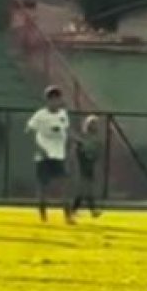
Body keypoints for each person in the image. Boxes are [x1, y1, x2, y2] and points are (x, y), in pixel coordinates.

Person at [26, 86, 74, 224]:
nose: (56, 102)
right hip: (44, 157)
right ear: (47, 100)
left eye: (58, 99)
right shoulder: (40, 115)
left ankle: (68, 216)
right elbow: (29, 131)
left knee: (64, 185)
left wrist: (74, 143)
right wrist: (39, 149)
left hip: (59, 155)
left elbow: (66, 131)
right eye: (52, 99)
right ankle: (43, 216)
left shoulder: (63, 114)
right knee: (43, 187)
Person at [72, 115, 102, 218]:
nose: (96, 126)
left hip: (90, 165)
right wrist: (85, 156)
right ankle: (91, 210)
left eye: (96, 124)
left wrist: (94, 157)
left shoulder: (96, 138)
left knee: (86, 189)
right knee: (86, 188)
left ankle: (75, 210)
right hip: (83, 165)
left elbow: (98, 151)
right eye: (93, 123)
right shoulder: (83, 137)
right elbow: (78, 151)